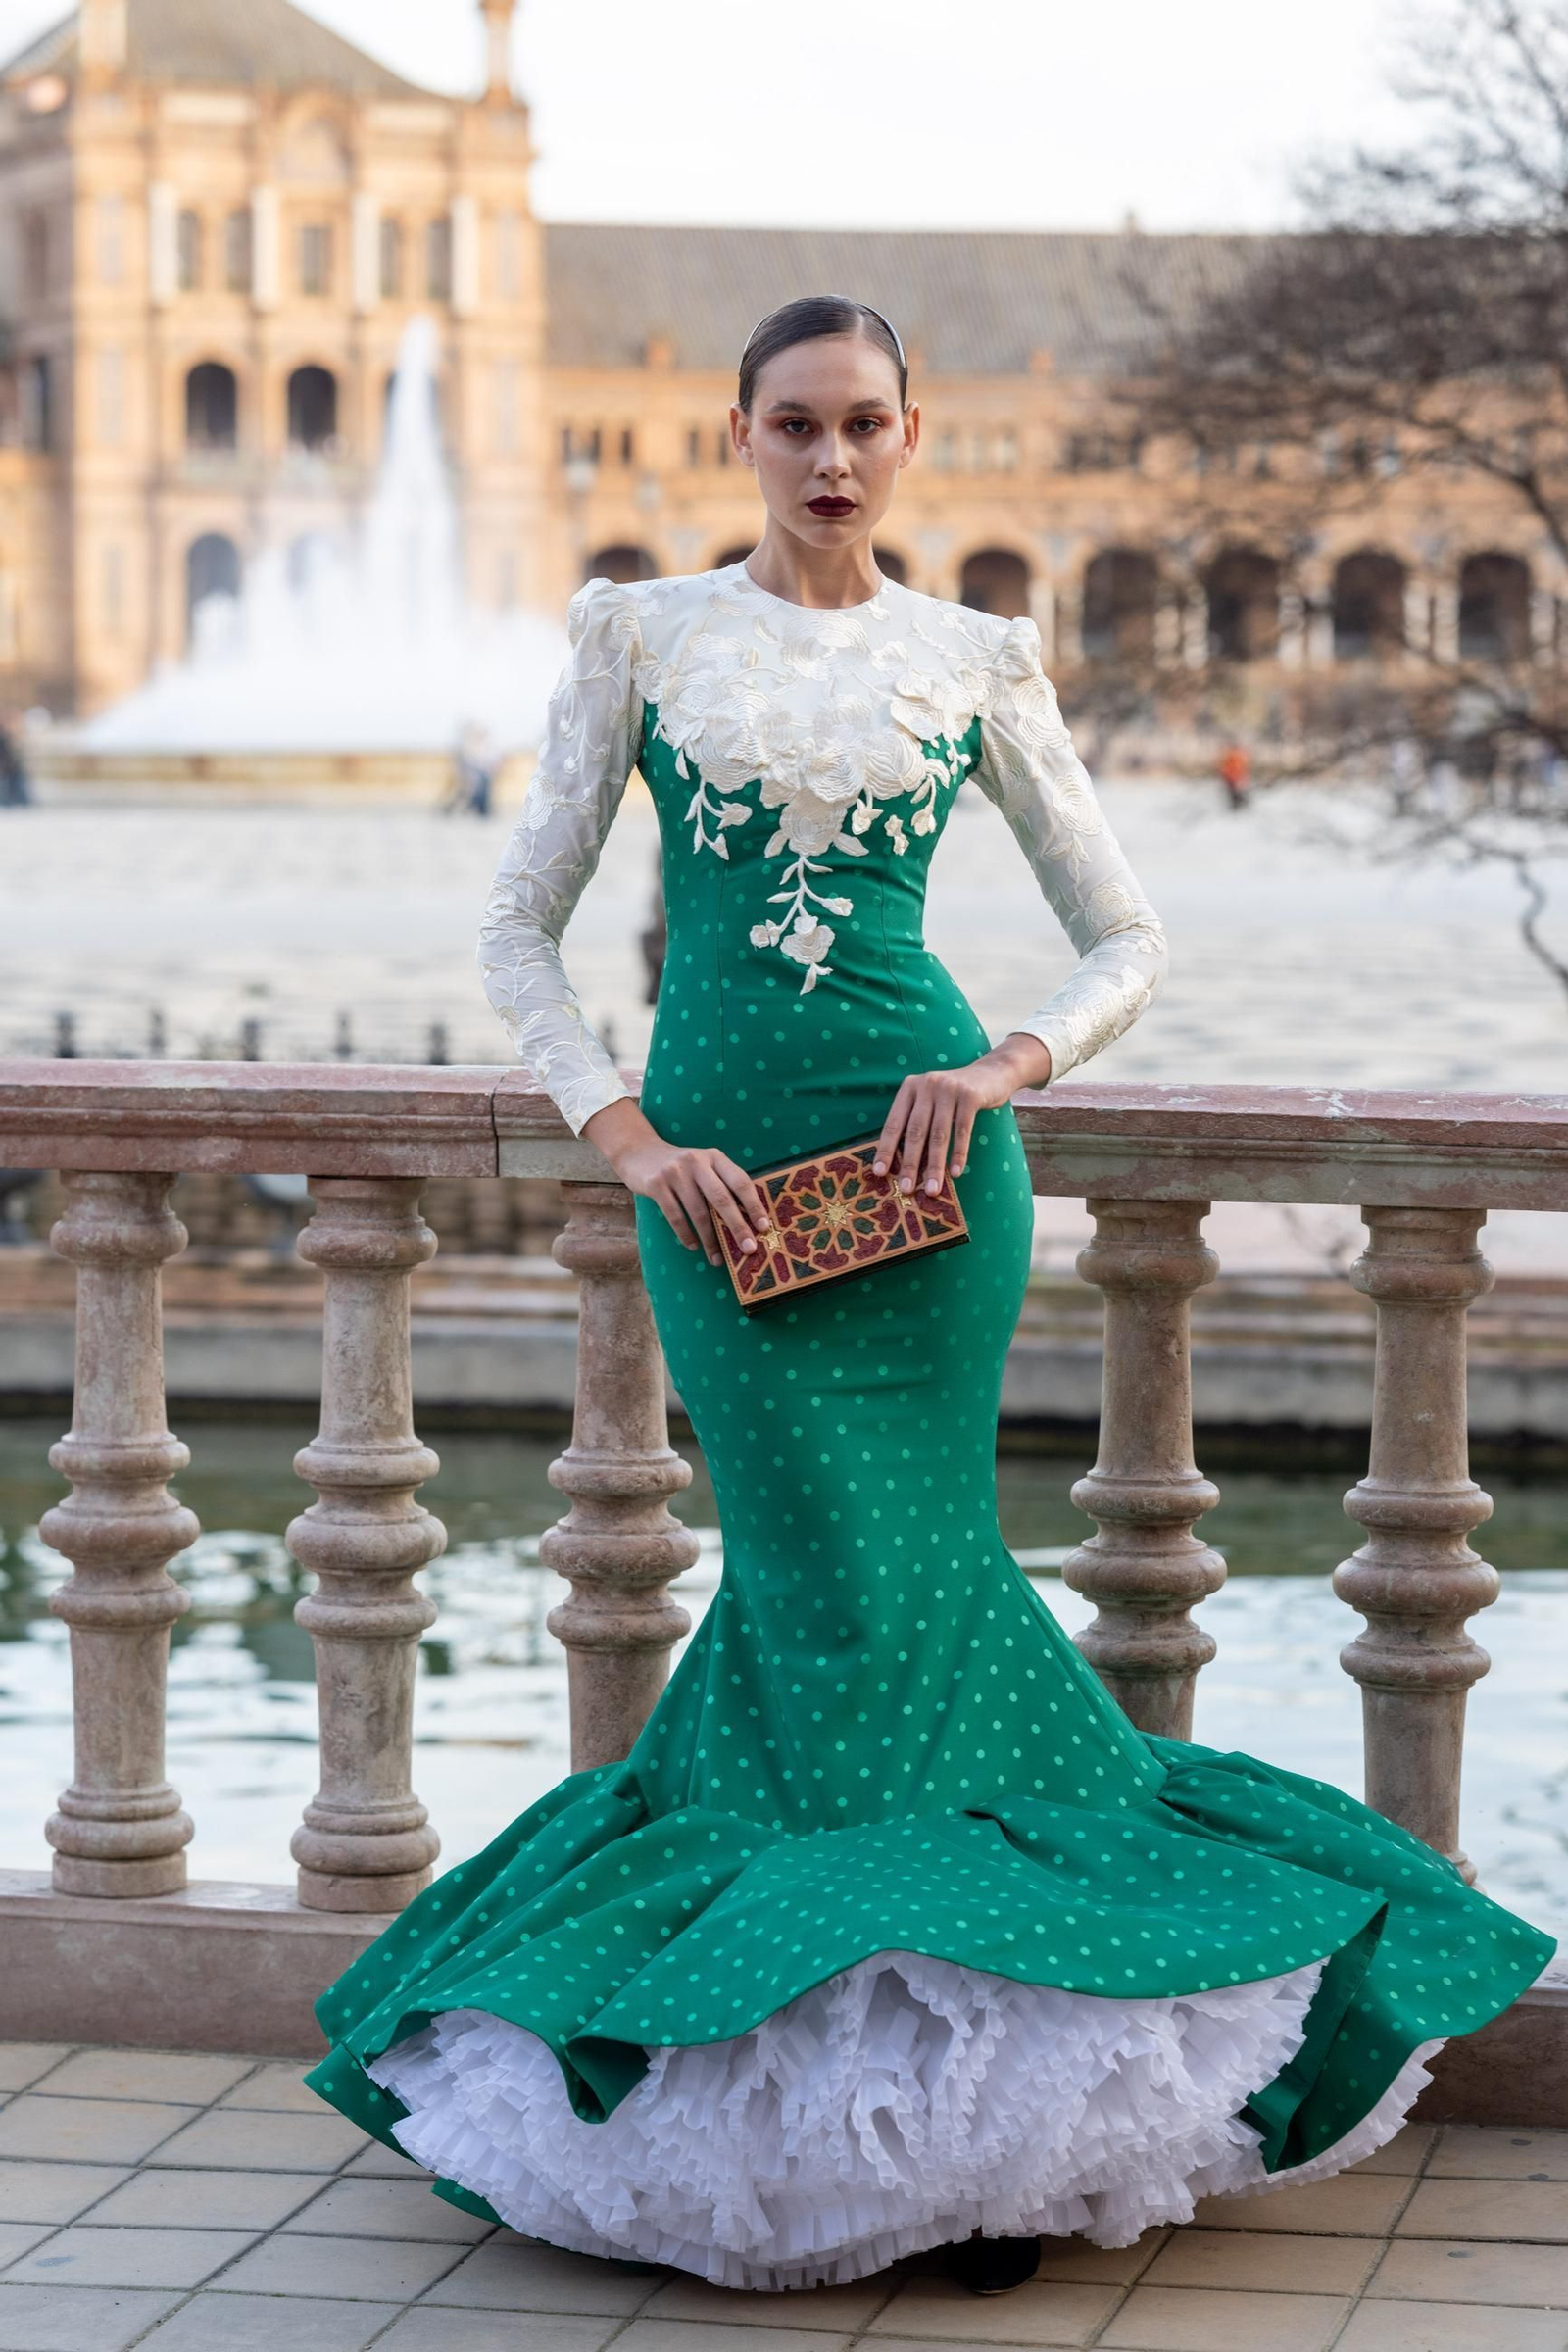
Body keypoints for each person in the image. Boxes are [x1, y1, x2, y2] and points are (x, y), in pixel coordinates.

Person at [306, 296, 1553, 2301]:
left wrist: (998, 1075)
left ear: (911, 436)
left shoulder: (970, 659)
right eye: (790, 424)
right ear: (734, 432)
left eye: (860, 425)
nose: (825, 458)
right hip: (715, 1200)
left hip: (924, 1189)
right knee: (825, 1604)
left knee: (910, 1594)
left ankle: (962, 2141)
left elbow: (1122, 929)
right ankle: (859, 2124)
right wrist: (625, 1138)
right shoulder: (638, 637)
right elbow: (515, 921)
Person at [1217, 738, 1251, 810]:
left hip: (1234, 781)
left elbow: (1240, 769)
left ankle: (1238, 807)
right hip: (1233, 780)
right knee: (1236, 797)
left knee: (1237, 797)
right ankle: (1238, 808)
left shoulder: (1233, 756)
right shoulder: (1234, 756)